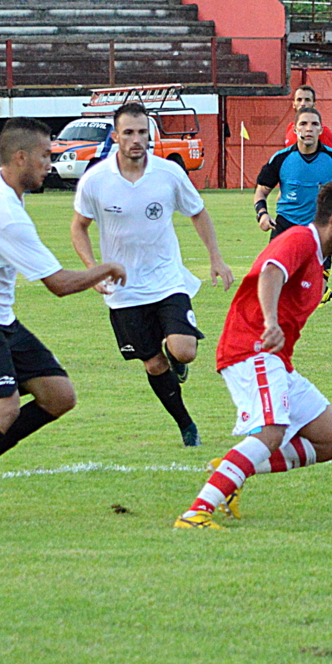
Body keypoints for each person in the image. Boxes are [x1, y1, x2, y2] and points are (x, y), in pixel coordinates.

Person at [0, 117, 126, 525]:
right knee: (4, 408)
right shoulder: (6, 215)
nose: (50, 164)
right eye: (44, 156)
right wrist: (105, 268)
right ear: (20, 158)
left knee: (59, 396)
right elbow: (59, 284)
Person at [175, 178, 332, 529]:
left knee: (331, 440)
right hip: (252, 348)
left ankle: (229, 471)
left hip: (275, 359)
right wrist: (270, 321)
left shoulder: (318, 258)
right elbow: (269, 273)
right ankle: (195, 514)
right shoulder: (299, 240)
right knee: (271, 431)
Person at [71, 102, 235, 448]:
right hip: (124, 290)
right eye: (128, 132)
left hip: (167, 279)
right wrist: (92, 271)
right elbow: (78, 228)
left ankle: (180, 360)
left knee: (184, 349)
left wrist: (216, 258)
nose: (136, 139)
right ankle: (186, 425)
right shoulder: (96, 180)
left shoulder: (169, 173)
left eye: (143, 132)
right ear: (115, 136)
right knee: (153, 363)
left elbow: (198, 213)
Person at [255, 107, 332, 306]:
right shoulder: (281, 159)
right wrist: (262, 214)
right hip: (286, 225)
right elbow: (261, 191)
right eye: (303, 124)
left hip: (320, 229)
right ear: (296, 129)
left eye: (314, 124)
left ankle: (317, 289)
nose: (309, 129)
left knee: (313, 294)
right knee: (272, 282)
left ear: (321, 130)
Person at [283, 85, 332, 149]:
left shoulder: (322, 131)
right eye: (299, 100)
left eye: (307, 100)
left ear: (314, 104)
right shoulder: (290, 128)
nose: (303, 104)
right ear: (294, 104)